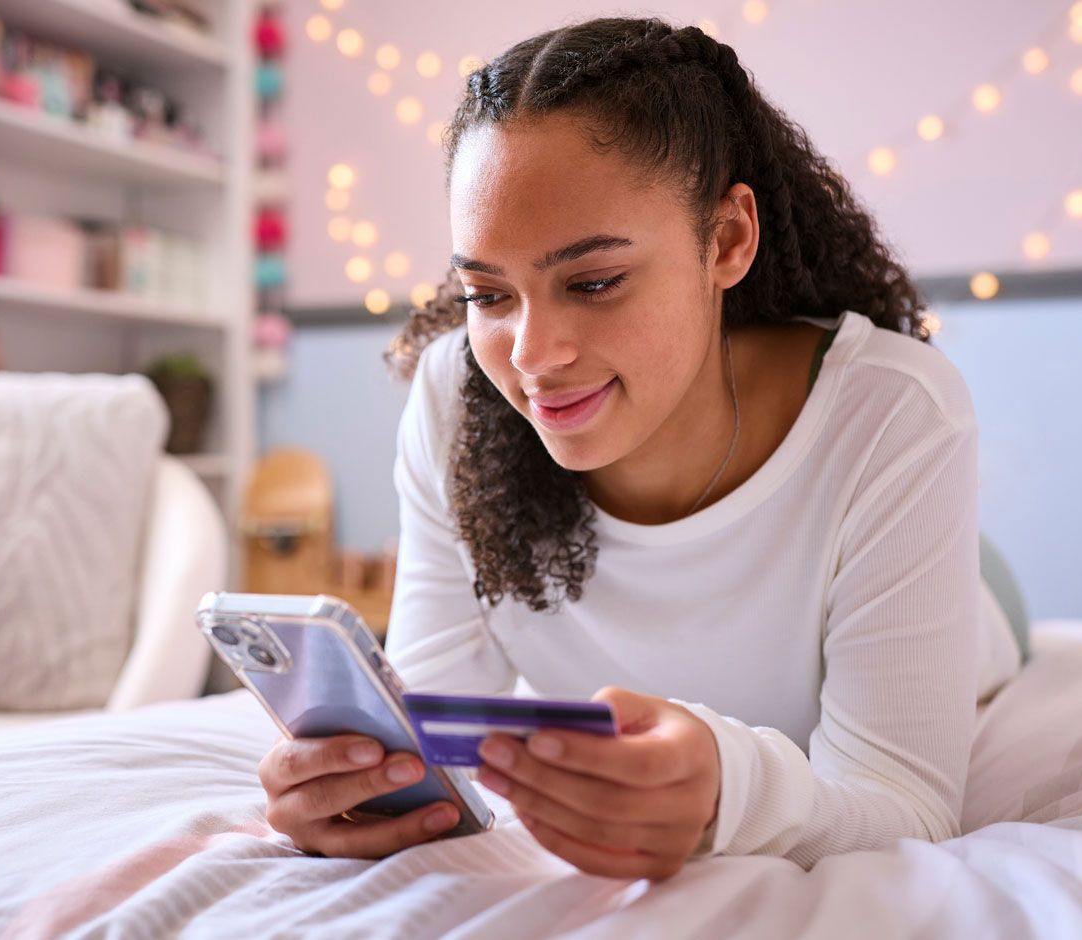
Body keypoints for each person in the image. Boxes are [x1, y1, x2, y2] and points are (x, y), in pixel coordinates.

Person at [257, 15, 1024, 880]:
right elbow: (436, 721)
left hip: (967, 592)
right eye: (486, 294)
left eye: (594, 283)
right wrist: (368, 787)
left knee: (982, 628)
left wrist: (728, 787)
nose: (533, 355)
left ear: (728, 240)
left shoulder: (893, 411)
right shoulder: (455, 396)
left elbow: (907, 803)